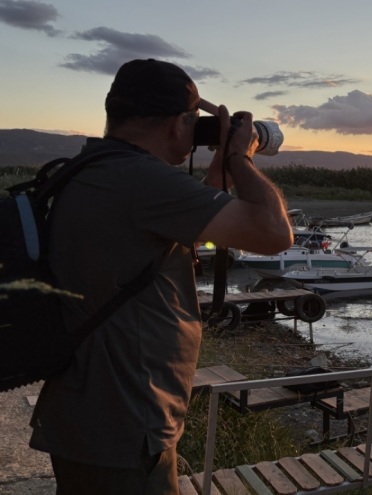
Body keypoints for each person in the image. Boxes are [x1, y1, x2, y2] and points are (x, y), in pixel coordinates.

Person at [28, 59, 293, 494]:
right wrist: (239, 159)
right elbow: (274, 233)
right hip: (123, 426)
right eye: (193, 121)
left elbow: (197, 230)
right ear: (177, 124)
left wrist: (217, 176)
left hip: (92, 416)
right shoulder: (140, 180)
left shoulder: (94, 169)